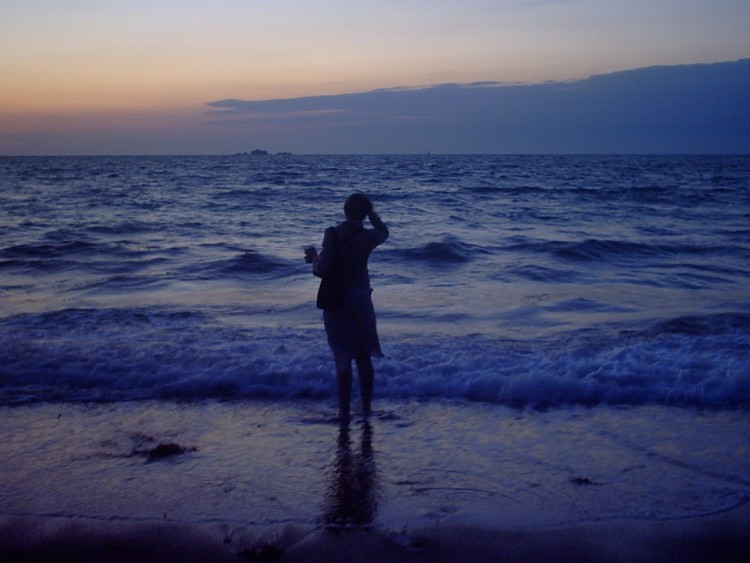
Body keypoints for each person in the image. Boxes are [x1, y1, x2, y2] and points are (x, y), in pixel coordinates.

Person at [305, 193, 389, 419]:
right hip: (361, 300)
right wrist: (372, 213)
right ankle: (366, 408)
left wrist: (313, 257)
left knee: (342, 357)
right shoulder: (368, 237)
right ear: (365, 214)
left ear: (345, 210)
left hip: (337, 301)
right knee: (363, 357)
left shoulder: (332, 234)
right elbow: (385, 232)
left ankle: (344, 411)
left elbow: (322, 270)